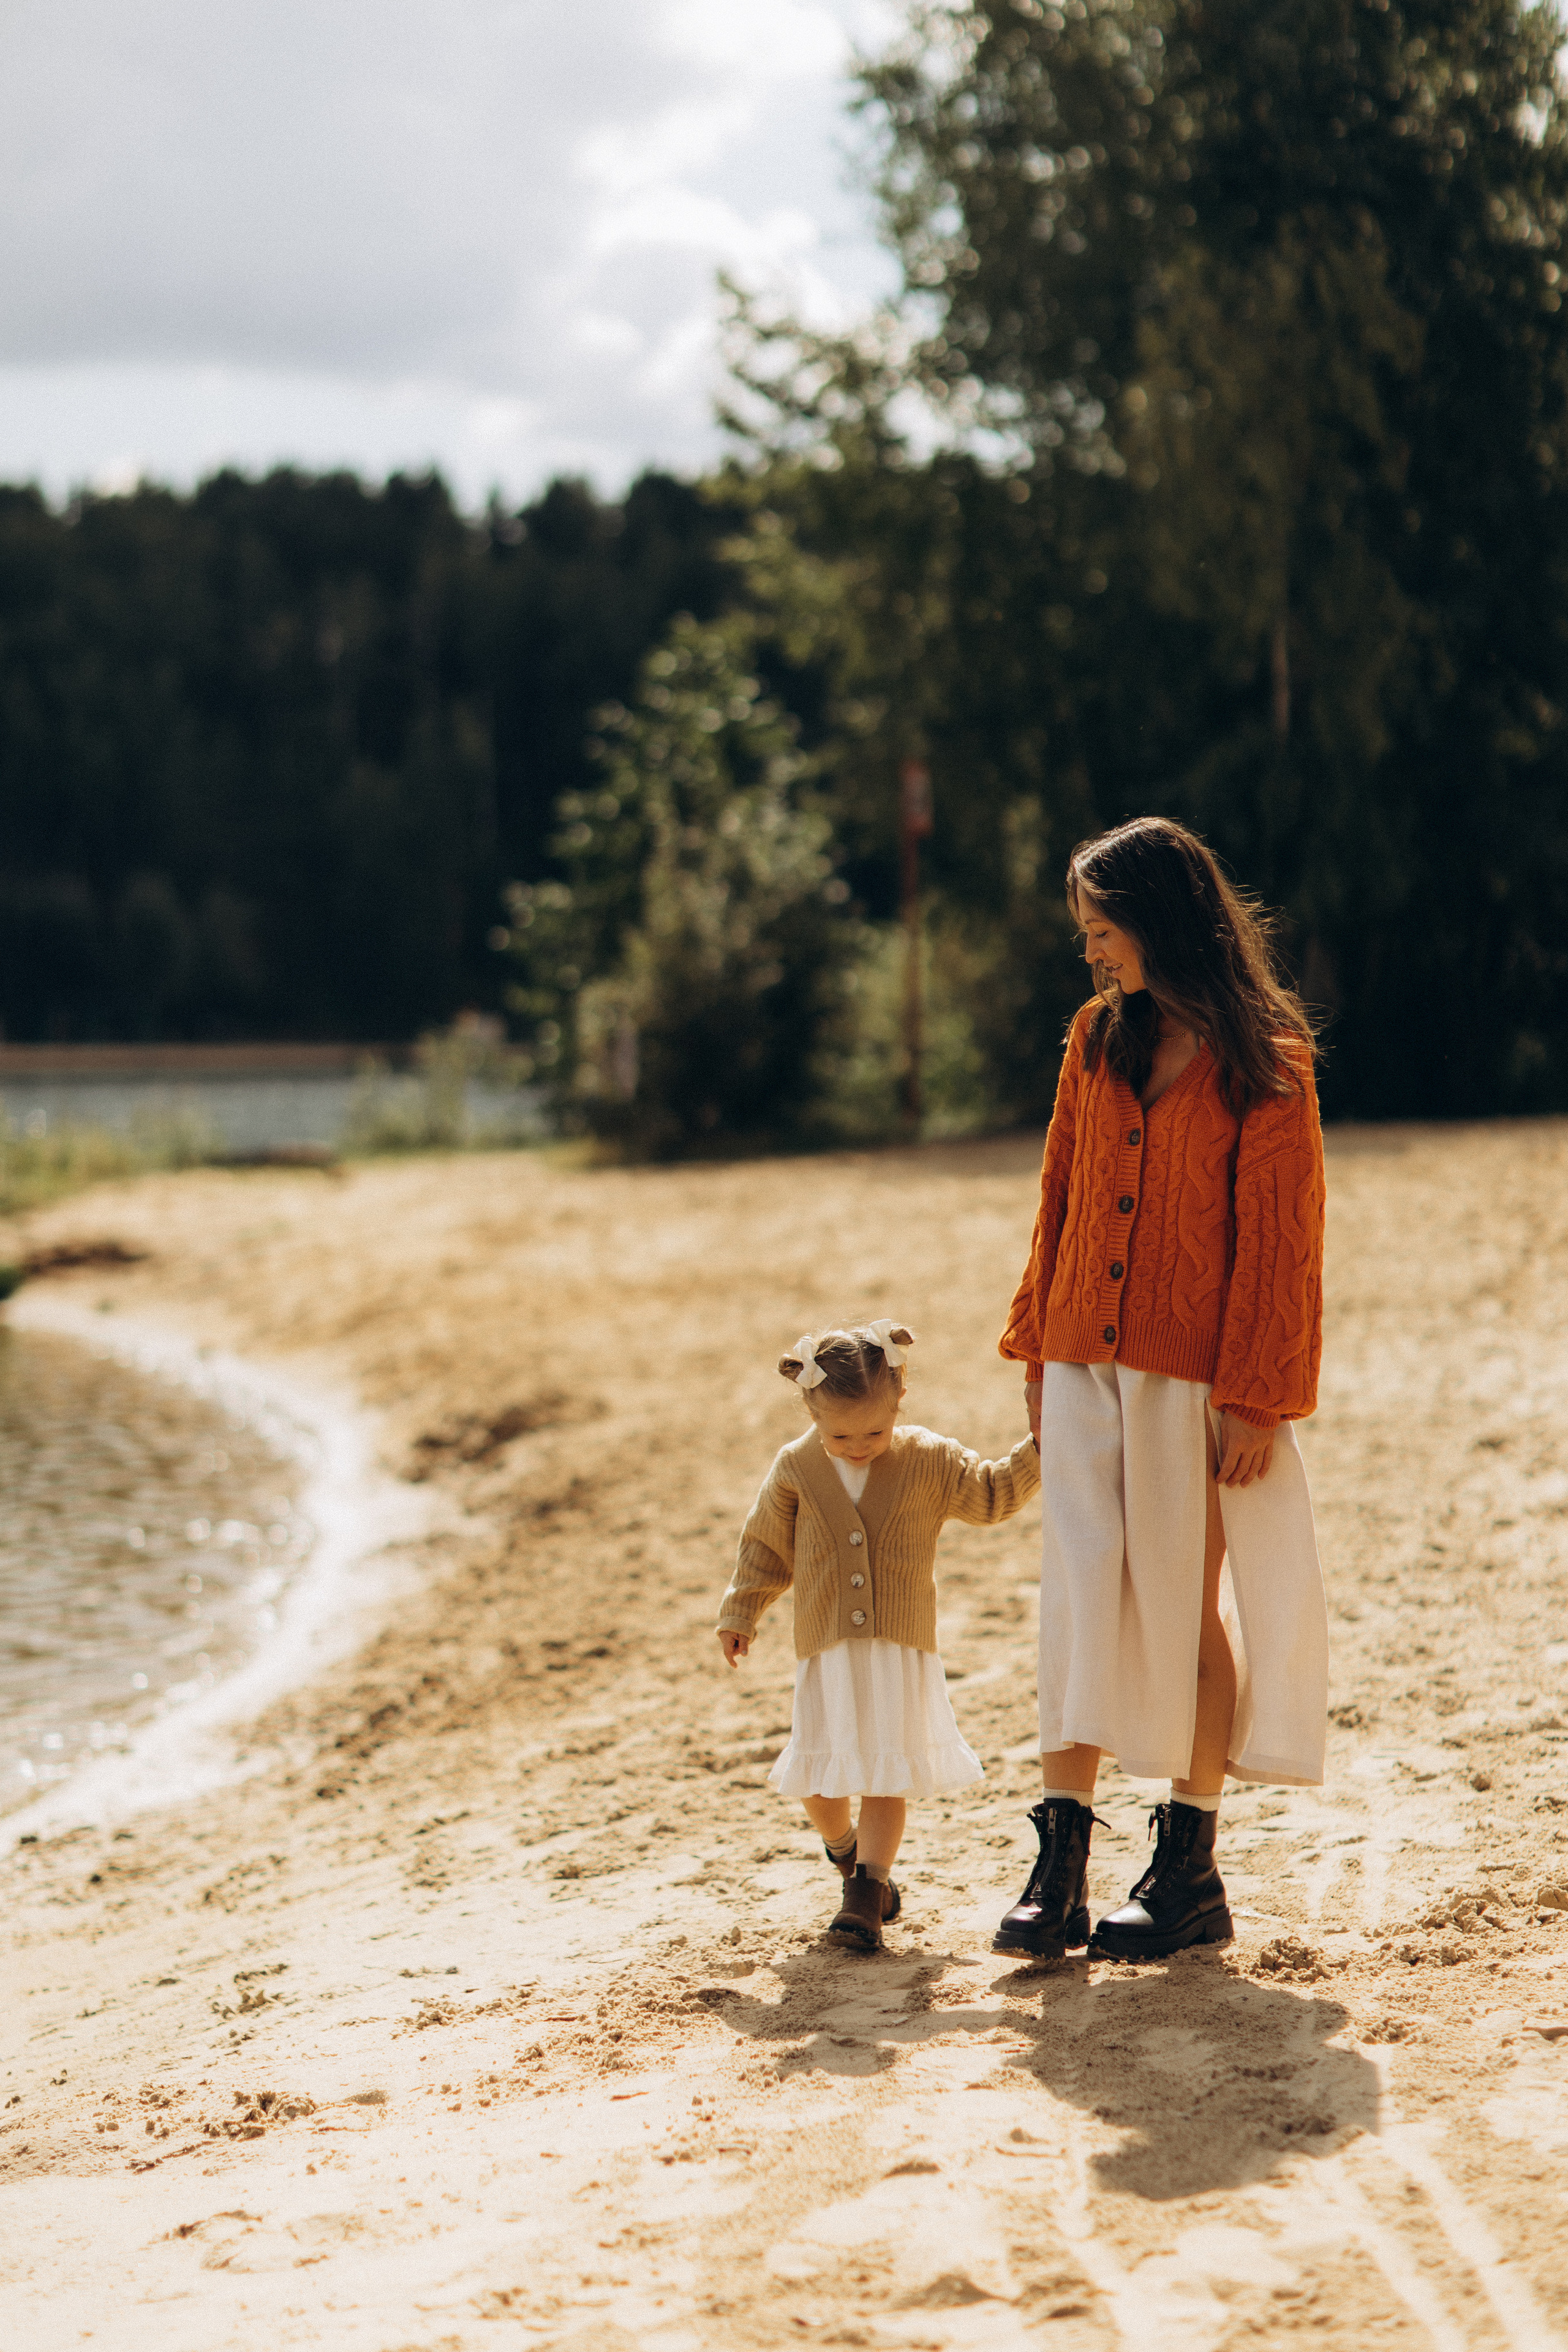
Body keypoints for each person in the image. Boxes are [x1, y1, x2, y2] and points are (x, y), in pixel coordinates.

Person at [995, 816, 1328, 1962]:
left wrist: (1260, 1394)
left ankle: (1189, 1869)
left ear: (1160, 921)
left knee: (1184, 1610)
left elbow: (1282, 1241)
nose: (1090, 951)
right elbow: (1059, 1198)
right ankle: (1060, 1868)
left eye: (1103, 929)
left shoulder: (1267, 1059)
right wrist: (1037, 1351)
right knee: (1079, 1603)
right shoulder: (1097, 1038)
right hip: (1082, 1365)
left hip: (1196, 1383)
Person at [716, 1320, 1039, 1952]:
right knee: (818, 1777)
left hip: (899, 1648)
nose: (859, 1446)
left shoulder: (929, 1458)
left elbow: (992, 1496)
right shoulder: (796, 1467)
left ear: (899, 1404)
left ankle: (866, 1893)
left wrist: (1040, 1447)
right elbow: (765, 1547)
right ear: (811, 1413)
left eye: (875, 1432)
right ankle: (844, 1850)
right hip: (826, 1648)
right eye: (840, 1435)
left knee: (885, 1773)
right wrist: (741, 1612)